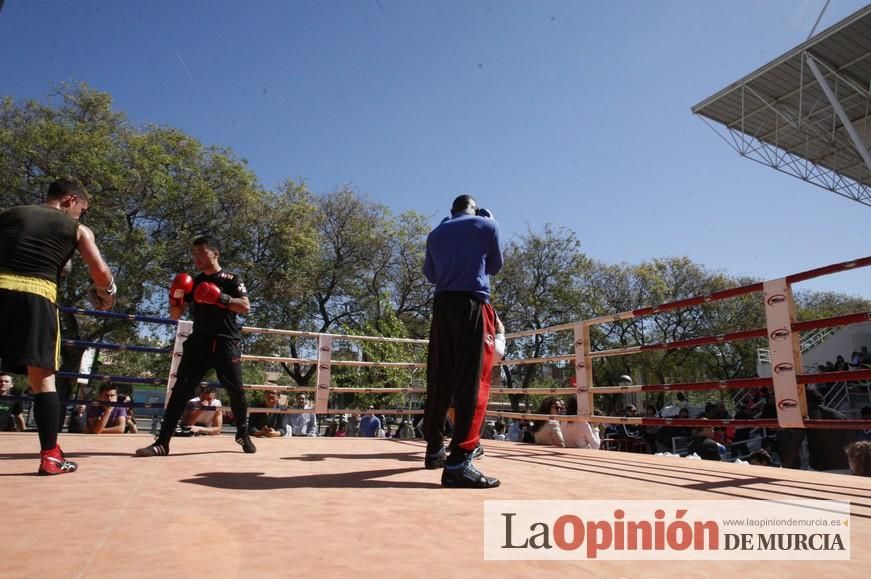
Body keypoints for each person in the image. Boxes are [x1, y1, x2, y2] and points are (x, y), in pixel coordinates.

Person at [0, 178, 116, 474]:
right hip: (37, 296)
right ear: (69, 200)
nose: (81, 215)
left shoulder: (9, 213)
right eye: (82, 209)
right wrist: (108, 292)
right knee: (43, 380)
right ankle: (51, 456)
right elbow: (100, 271)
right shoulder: (76, 229)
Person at [136, 234, 256, 457]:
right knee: (180, 390)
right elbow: (176, 315)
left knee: (236, 391)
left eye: (202, 252)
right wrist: (175, 296)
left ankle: (242, 433)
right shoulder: (193, 282)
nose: (197, 258)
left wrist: (221, 298)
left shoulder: (231, 279)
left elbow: (245, 307)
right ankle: (162, 443)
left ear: (215, 253)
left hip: (225, 342)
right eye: (194, 254)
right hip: (199, 341)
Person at [422, 194, 502, 488]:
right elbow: (494, 266)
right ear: (474, 208)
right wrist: (490, 222)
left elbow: (430, 274)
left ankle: (433, 450)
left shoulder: (436, 233)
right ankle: (459, 462)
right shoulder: (485, 225)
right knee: (472, 381)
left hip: (441, 306)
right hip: (471, 304)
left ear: (451, 210)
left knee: (439, 377)